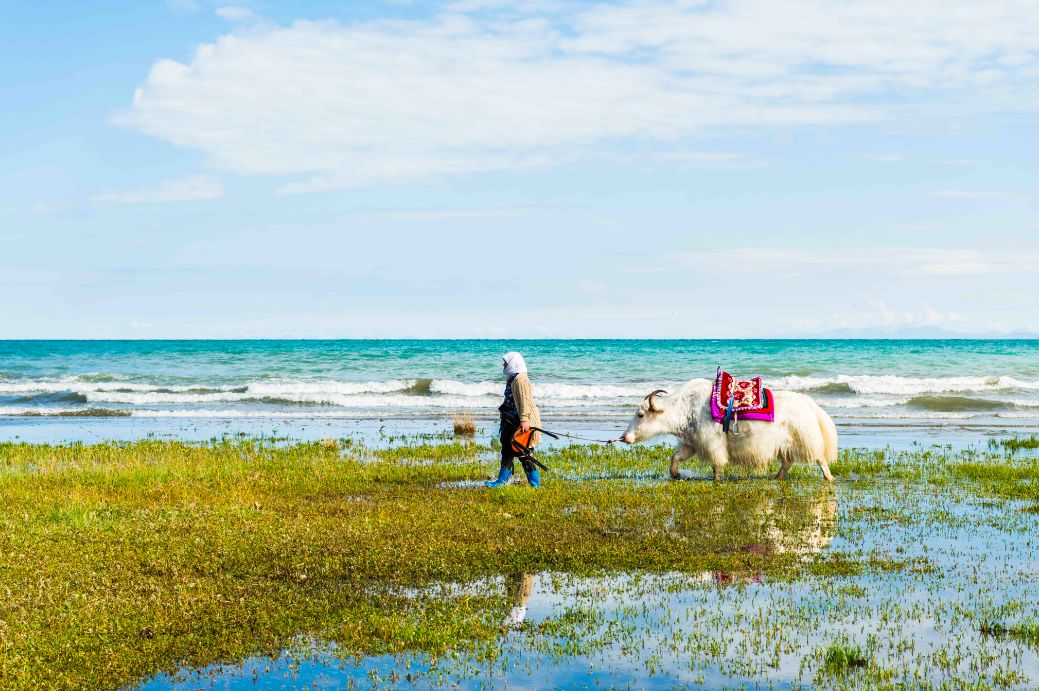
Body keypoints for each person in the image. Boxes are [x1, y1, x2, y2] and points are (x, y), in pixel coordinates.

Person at [485, 351, 542, 488]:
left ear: (513, 363)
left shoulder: (520, 379)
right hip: (511, 420)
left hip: (520, 421)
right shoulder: (513, 377)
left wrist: (524, 420)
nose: (503, 364)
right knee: (508, 449)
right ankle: (502, 481)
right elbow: (510, 399)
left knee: (523, 452)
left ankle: (534, 483)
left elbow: (525, 401)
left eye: (506, 362)